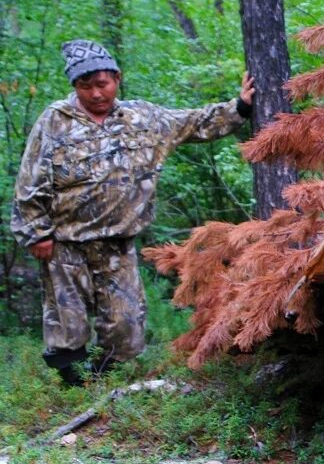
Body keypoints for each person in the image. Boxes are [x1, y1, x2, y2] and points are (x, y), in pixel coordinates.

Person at [11, 40, 254, 386]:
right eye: (85, 86)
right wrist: (36, 232)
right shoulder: (55, 121)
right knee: (68, 321)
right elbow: (30, 180)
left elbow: (194, 123)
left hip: (118, 244)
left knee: (125, 325)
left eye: (102, 84)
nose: (95, 93)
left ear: (117, 78)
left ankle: (107, 379)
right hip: (66, 242)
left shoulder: (142, 118)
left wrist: (240, 107)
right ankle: (74, 386)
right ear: (74, 86)